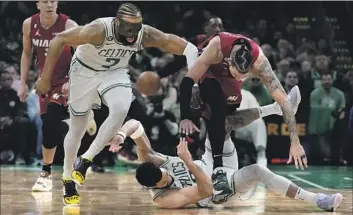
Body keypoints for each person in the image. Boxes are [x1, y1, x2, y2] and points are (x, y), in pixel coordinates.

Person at [35, 3, 198, 205]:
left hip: (114, 72)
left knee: (121, 108)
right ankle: (68, 179)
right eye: (127, 28)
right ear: (117, 23)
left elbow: (183, 46)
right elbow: (60, 39)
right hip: (84, 71)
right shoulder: (99, 30)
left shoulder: (144, 34)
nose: (132, 33)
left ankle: (86, 159)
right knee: (77, 127)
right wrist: (44, 78)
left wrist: (195, 68)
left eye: (136, 27)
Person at [108, 119, 343, 211]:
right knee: (257, 171)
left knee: (220, 125)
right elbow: (206, 190)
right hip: (214, 190)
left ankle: (273, 108)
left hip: (206, 164)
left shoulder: (156, 162)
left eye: (164, 170)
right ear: (158, 184)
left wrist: (120, 135)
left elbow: (136, 125)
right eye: (164, 177)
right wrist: (189, 163)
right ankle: (318, 201)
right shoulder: (162, 198)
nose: (167, 174)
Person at [178, 32, 307, 196]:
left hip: (227, 80)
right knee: (214, 107)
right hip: (209, 70)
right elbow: (186, 81)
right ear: (230, 61)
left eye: (244, 75)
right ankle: (218, 169)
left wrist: (295, 142)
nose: (241, 77)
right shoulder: (217, 47)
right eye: (238, 73)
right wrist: (185, 117)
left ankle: (274, 108)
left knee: (226, 121)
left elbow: (286, 102)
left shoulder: (259, 62)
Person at [18, 0, 96, 192]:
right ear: (38, 4)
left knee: (50, 121)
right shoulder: (29, 24)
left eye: (53, 1)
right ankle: (79, 120)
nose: (49, 5)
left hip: (66, 79)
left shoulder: (69, 26)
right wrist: (22, 82)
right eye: (45, 1)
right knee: (49, 127)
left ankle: (45, 173)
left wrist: (75, 80)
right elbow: (27, 54)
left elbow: (85, 54)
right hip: (44, 80)